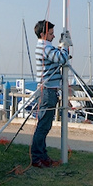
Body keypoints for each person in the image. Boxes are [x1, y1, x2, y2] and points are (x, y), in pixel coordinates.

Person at [32, 20, 71, 168]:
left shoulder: (46, 47)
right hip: (47, 91)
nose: (53, 36)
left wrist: (61, 47)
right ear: (43, 34)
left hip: (50, 90)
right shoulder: (44, 47)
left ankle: (42, 156)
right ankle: (37, 158)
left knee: (45, 125)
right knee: (43, 126)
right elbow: (61, 58)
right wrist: (65, 46)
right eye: (51, 34)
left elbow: (58, 57)